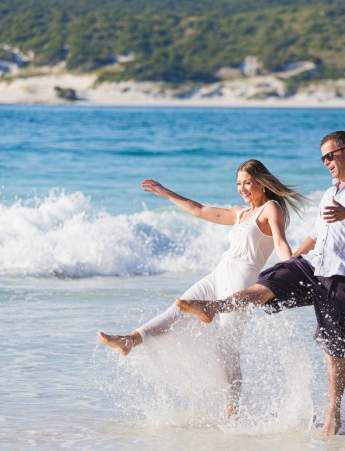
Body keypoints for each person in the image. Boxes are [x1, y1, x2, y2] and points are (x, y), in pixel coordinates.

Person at [176, 131, 345, 435]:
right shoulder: (330, 193)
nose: (326, 162)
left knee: (333, 349)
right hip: (314, 265)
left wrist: (344, 213)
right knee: (267, 284)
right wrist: (292, 260)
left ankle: (333, 412)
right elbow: (315, 236)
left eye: (330, 155)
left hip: (342, 275)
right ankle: (214, 306)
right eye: (323, 157)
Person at [98, 159, 308, 418]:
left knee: (227, 347)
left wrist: (291, 267)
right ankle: (130, 340)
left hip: (242, 279)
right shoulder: (240, 213)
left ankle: (233, 413)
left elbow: (280, 243)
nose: (243, 188)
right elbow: (199, 209)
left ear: (261, 183)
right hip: (218, 273)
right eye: (239, 183)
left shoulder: (270, 208)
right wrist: (166, 193)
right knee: (178, 309)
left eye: (248, 183)